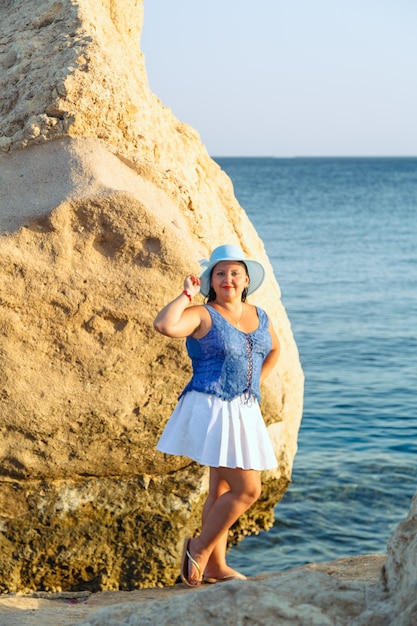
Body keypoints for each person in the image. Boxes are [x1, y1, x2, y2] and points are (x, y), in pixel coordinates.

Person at [153, 244, 280, 587]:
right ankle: (199, 550)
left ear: (246, 279)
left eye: (234, 272)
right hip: (210, 408)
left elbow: (274, 350)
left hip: (242, 410)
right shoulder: (202, 314)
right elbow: (165, 325)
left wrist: (253, 385)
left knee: (220, 488)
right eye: (220, 273)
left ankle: (216, 566)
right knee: (248, 490)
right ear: (211, 280)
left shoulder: (260, 315)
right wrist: (186, 294)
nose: (228, 279)